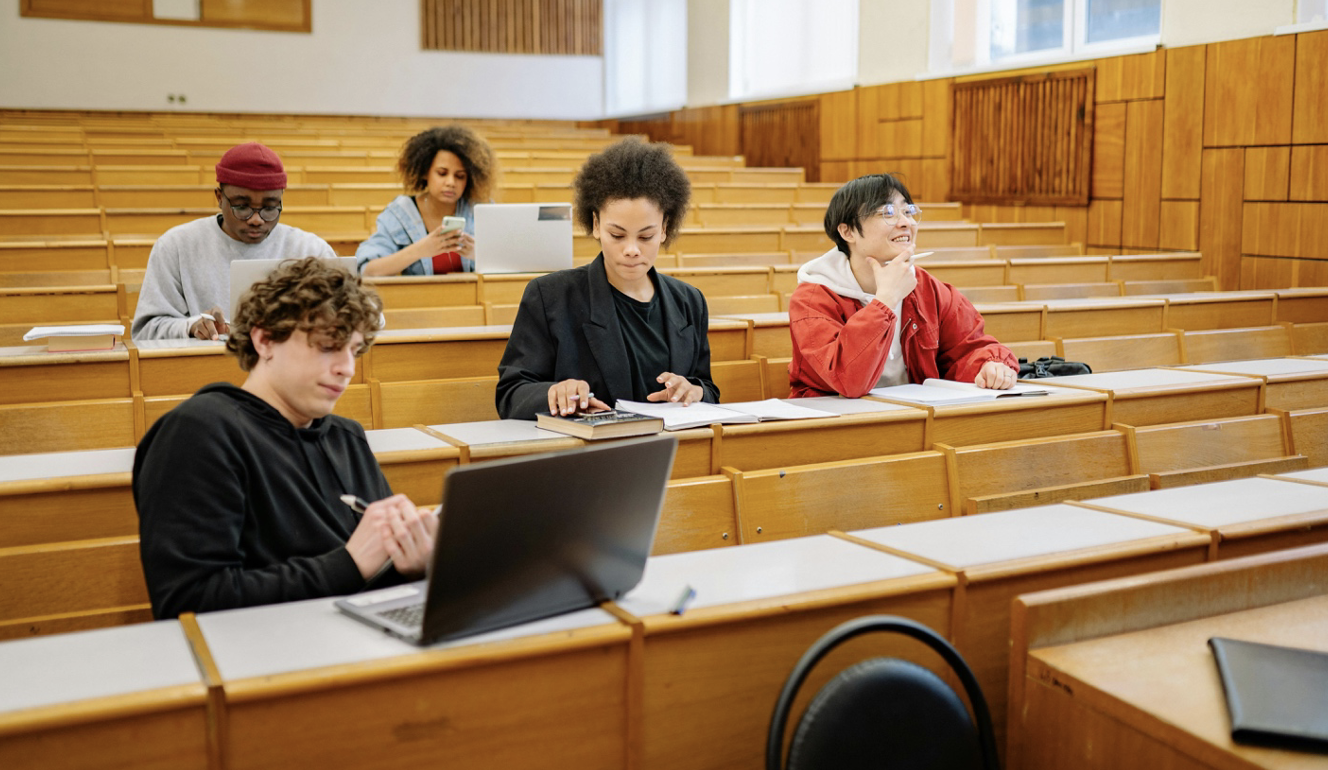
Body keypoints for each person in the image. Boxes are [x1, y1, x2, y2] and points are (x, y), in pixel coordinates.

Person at [133, 258, 436, 619]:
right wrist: (350, 564)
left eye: (353, 350)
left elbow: (374, 572)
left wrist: (414, 563)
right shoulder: (197, 433)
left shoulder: (346, 437)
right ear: (264, 340)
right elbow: (188, 601)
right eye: (327, 346)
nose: (348, 368)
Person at [495, 138, 719, 420]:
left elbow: (707, 387)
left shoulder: (689, 301)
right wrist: (554, 392)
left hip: (674, 452)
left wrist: (695, 391)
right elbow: (511, 394)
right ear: (596, 225)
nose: (632, 249)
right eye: (617, 235)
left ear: (664, 228)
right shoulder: (550, 296)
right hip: (589, 457)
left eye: (646, 236)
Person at [788, 173, 1017, 398]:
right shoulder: (812, 298)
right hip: (836, 423)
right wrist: (885, 300)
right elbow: (847, 380)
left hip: (912, 419)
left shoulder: (927, 288)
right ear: (847, 231)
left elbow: (968, 348)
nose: (905, 223)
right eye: (887, 212)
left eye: (908, 211)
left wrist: (989, 365)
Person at [131, 142, 338, 341]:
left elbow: (347, 320)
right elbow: (146, 330)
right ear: (219, 198)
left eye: (269, 208)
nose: (256, 219)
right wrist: (191, 327)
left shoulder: (312, 250)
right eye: (242, 207)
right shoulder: (176, 246)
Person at [356, 125, 497, 276]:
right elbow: (366, 270)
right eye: (442, 173)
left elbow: (512, 263)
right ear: (424, 172)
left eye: (460, 176)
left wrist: (481, 255)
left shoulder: (481, 209)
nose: (451, 182)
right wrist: (418, 250)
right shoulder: (399, 213)